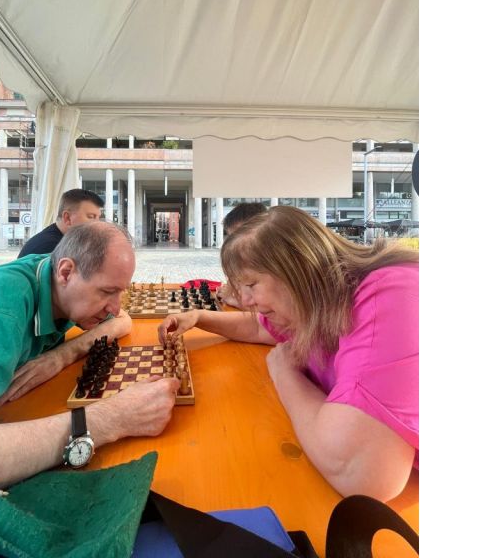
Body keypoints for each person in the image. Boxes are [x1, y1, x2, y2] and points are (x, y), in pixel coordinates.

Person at [158, 205, 418, 502]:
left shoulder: (390, 294)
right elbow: (259, 328)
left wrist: (284, 371)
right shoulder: (318, 304)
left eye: (251, 284)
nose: (245, 300)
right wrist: (199, 318)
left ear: (297, 270)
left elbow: (363, 474)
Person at [0, 222, 180, 489]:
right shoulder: (1, 315)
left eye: (120, 291)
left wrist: (61, 356)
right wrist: (110, 418)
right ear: (66, 272)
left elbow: (122, 321)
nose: (114, 307)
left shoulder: (53, 275)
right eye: (107, 291)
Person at [18, 189, 104, 258]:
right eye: (91, 217)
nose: (97, 223)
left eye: (98, 218)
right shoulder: (51, 247)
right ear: (67, 218)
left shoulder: (62, 239)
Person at [216, 202, 267, 308]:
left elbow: (271, 312)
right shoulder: (241, 260)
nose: (233, 244)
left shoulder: (270, 266)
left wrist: (234, 301)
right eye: (230, 237)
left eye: (238, 236)